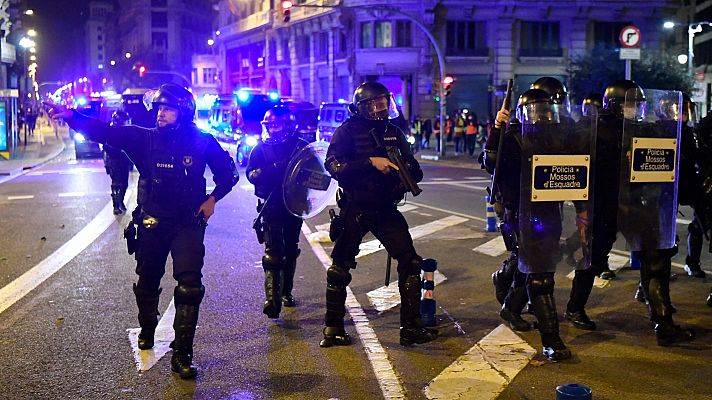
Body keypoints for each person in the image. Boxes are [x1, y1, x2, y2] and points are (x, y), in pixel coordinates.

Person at [45, 83, 239, 379]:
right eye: (159, 108)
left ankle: (183, 355)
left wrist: (212, 200)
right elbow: (104, 132)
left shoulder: (202, 141)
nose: (161, 114)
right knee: (147, 281)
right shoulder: (143, 138)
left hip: (187, 223)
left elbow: (229, 175)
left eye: (168, 109)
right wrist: (71, 115)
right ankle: (147, 328)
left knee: (190, 286)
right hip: (152, 222)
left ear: (184, 113)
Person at [320, 81, 438, 348]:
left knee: (411, 262)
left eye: (384, 103)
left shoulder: (394, 132)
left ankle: (410, 327)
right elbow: (334, 166)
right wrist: (370, 162)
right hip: (356, 207)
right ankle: (333, 328)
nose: (380, 109)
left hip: (385, 208)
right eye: (374, 104)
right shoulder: (347, 132)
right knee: (340, 268)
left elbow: (415, 169)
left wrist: (404, 170)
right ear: (361, 107)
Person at [488, 88, 574, 361]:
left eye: (546, 110)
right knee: (540, 276)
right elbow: (491, 162)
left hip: (550, 212)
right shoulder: (512, 137)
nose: (542, 116)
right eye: (536, 111)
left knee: (530, 267)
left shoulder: (556, 138)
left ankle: (510, 308)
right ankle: (552, 341)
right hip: (520, 214)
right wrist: (497, 130)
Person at [613, 83, 695, 346]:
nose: (634, 109)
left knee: (656, 261)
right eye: (629, 104)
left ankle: (662, 321)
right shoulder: (603, 133)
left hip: (643, 206)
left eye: (638, 105)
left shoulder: (643, 129)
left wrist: (675, 121)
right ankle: (517, 297)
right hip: (622, 207)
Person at [247, 106, 309, 319]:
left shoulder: (301, 148)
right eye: (269, 125)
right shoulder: (260, 149)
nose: (273, 129)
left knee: (290, 249)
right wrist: (273, 168)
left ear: (288, 126)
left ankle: (286, 291)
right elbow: (252, 174)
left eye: (277, 125)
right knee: (273, 252)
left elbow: (317, 174)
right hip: (271, 205)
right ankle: (272, 299)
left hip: (294, 205)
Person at [677, 94, 706, 278]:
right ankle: (646, 280)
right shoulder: (662, 131)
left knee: (700, 223)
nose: (684, 113)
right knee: (662, 227)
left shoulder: (693, 133)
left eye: (687, 109)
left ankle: (692, 262)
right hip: (668, 184)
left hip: (690, 182)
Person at [103, 111, 133, 215]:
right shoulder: (110, 131)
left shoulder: (127, 132)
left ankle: (121, 202)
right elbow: (107, 148)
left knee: (125, 184)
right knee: (116, 184)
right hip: (113, 161)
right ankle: (116, 205)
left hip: (124, 161)